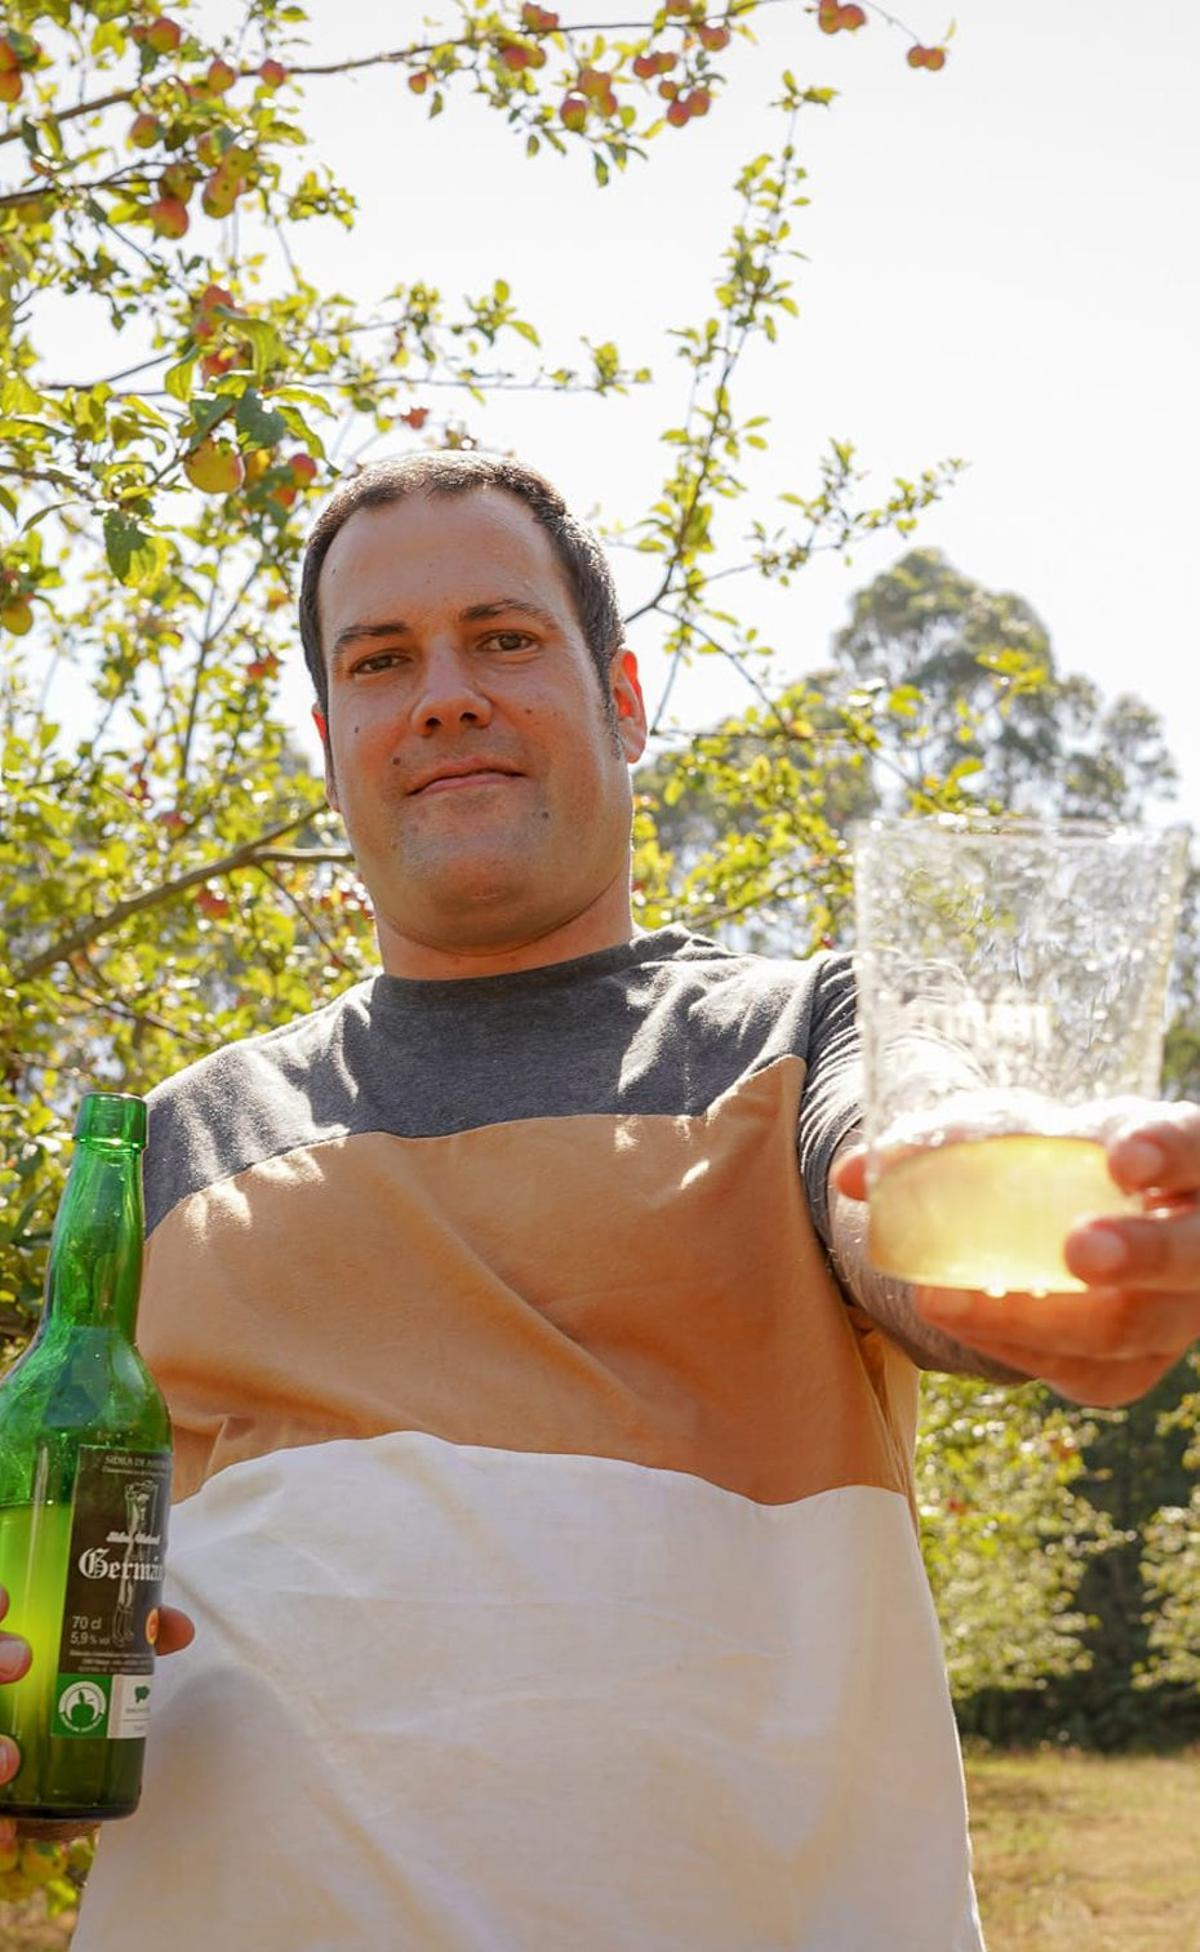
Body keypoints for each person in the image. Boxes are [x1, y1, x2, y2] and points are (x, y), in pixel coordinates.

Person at [2, 452, 1197, 1949]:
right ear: (331, 742)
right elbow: (73, 1637)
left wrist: (1031, 1243)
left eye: (502, 639)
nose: (444, 697)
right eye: (381, 661)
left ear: (624, 701)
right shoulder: (173, 1147)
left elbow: (903, 1168)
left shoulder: (800, 1035)